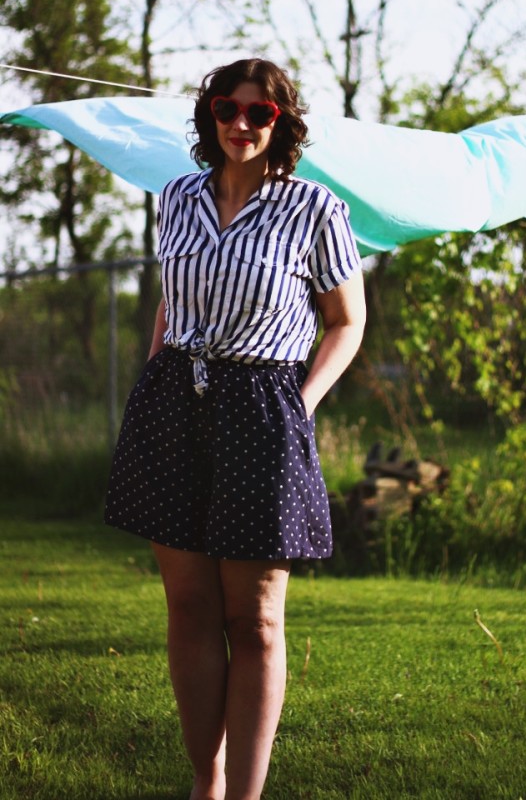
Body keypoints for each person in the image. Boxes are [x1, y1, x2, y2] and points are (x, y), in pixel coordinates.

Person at [104, 58, 366, 800]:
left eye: (259, 112)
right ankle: (206, 781)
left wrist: (301, 404)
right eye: (227, 108)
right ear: (210, 115)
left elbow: (346, 322)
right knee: (189, 605)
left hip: (264, 407)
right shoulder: (177, 197)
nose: (240, 124)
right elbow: (172, 302)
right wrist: (153, 381)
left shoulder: (315, 208)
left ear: (282, 122)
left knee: (253, 620)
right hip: (173, 403)